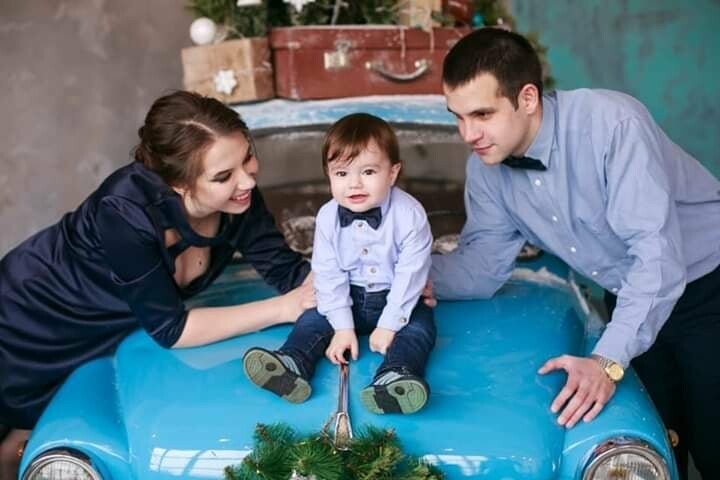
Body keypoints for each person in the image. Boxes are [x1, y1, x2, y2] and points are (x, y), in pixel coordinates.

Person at [430, 27, 720, 479]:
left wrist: (606, 361)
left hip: (709, 290)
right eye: (458, 117)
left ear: (527, 98)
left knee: (716, 443)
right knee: (654, 450)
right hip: (629, 301)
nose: (468, 134)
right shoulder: (486, 167)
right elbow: (480, 268)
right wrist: (397, 277)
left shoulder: (611, 124)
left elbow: (657, 258)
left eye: (482, 114)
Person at [0, 90, 315, 478]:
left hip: (118, 324)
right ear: (178, 183)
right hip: (34, 317)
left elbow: (288, 272)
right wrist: (284, 308)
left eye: (248, 156)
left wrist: (380, 288)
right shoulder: (124, 211)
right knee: (24, 444)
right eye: (224, 175)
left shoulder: (239, 198)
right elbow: (172, 328)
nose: (247, 179)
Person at [243, 113, 436, 414]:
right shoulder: (327, 217)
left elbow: (411, 275)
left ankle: (395, 377)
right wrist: (343, 327)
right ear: (329, 176)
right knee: (311, 319)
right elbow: (328, 275)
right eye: (342, 173)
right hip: (348, 296)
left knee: (419, 330)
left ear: (393, 173)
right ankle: (291, 363)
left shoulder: (410, 215)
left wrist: (388, 324)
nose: (354, 184)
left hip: (399, 299)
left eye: (369, 171)